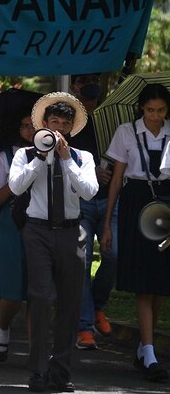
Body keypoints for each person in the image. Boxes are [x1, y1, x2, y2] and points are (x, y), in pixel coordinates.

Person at [9, 92, 98, 393]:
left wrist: (65, 161)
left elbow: (89, 191)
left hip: (72, 232)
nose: (59, 128)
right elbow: (16, 186)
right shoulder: (25, 154)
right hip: (37, 231)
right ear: (44, 125)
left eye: (65, 123)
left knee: (70, 303)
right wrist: (41, 157)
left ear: (72, 127)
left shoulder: (82, 157)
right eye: (54, 122)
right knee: (41, 297)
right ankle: (37, 369)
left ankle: (61, 370)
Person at [104, 83, 170, 382]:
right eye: (150, 110)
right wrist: (107, 222)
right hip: (136, 202)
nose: (155, 116)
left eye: (161, 111)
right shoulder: (126, 132)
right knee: (144, 281)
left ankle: (146, 348)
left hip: (166, 205)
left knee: (160, 283)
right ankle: (149, 350)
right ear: (141, 109)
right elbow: (117, 179)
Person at [68, 73, 116, 349]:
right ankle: (85, 326)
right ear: (74, 86)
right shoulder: (70, 123)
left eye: (95, 80)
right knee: (82, 262)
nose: (90, 86)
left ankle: (98, 306)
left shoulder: (109, 119)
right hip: (82, 201)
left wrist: (110, 172)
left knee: (113, 255)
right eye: (84, 82)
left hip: (109, 199)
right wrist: (92, 172)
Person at [0, 113, 34, 364]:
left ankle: (36, 354)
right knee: (12, 290)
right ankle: (3, 328)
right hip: (12, 224)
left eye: (35, 125)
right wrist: (15, 184)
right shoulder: (6, 156)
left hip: (43, 223)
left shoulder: (56, 153)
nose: (30, 130)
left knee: (40, 290)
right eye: (25, 125)